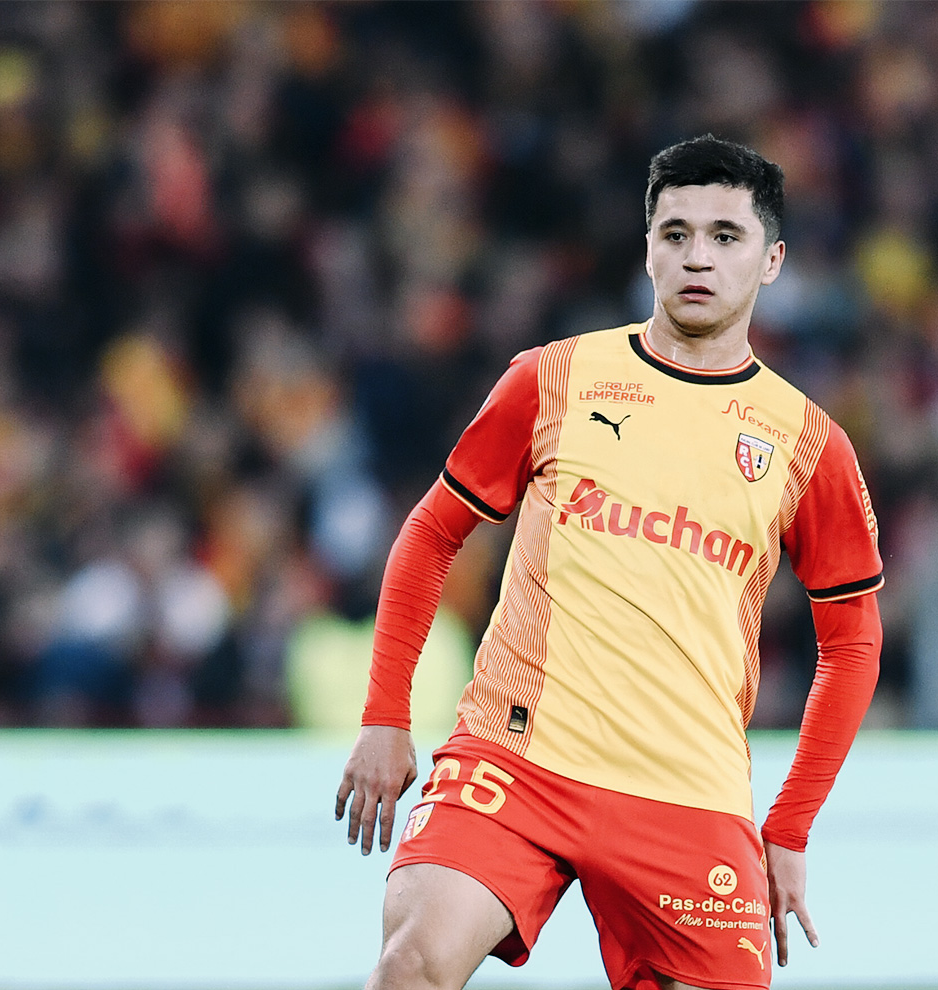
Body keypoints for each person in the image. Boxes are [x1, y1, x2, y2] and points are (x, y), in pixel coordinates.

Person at [334, 135, 884, 990]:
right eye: (676, 234)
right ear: (648, 249)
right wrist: (384, 716)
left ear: (772, 261)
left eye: (726, 237)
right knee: (411, 965)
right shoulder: (554, 378)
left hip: (687, 792)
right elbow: (433, 532)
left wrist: (791, 825)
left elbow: (852, 643)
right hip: (516, 759)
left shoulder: (809, 444)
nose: (697, 257)